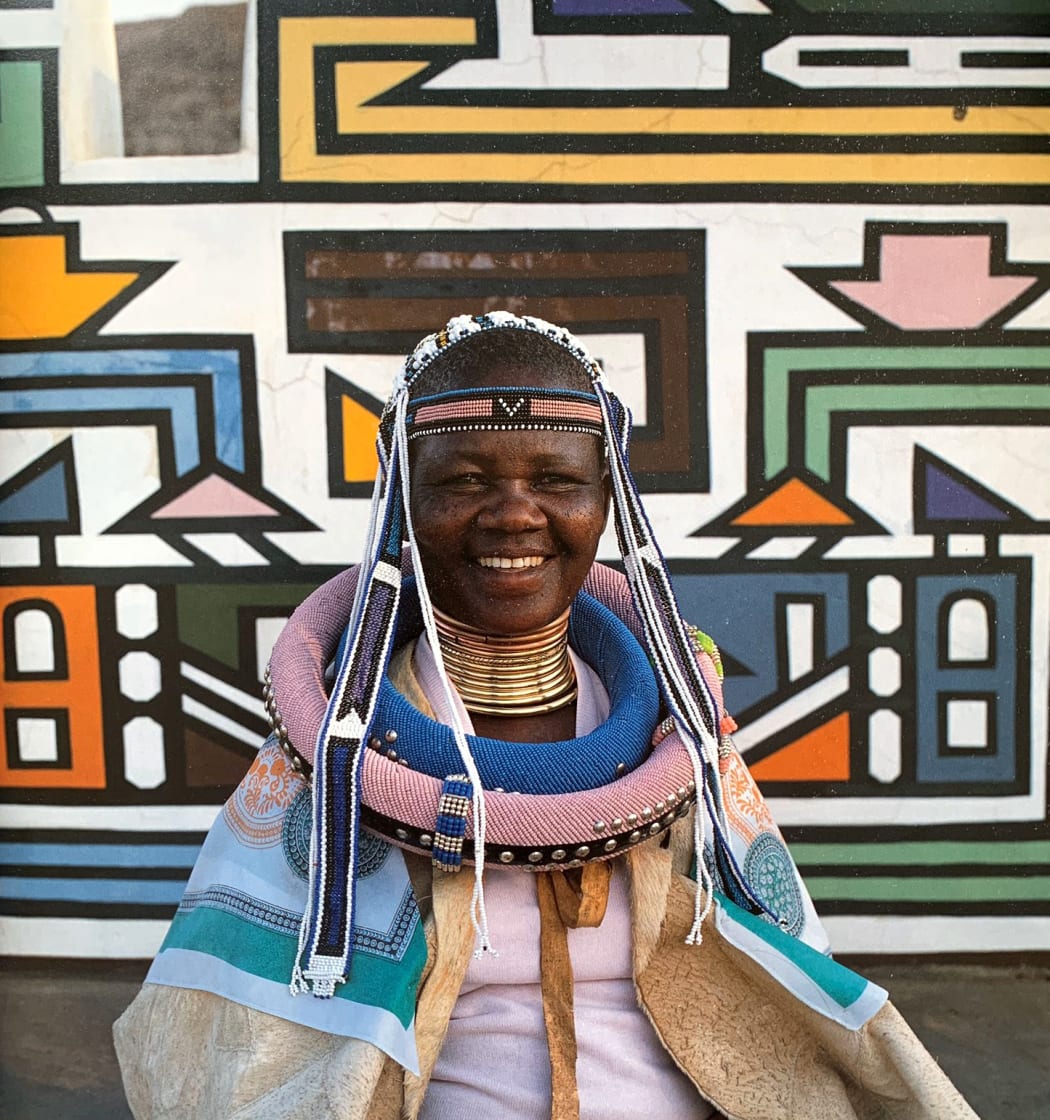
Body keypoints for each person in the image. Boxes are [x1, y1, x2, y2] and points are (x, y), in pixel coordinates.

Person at [115, 312, 978, 1119]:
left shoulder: (670, 732)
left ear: (607, 502)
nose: (516, 514)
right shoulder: (337, 749)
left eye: (558, 479)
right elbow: (237, 1043)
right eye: (464, 480)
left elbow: (780, 971)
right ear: (404, 507)